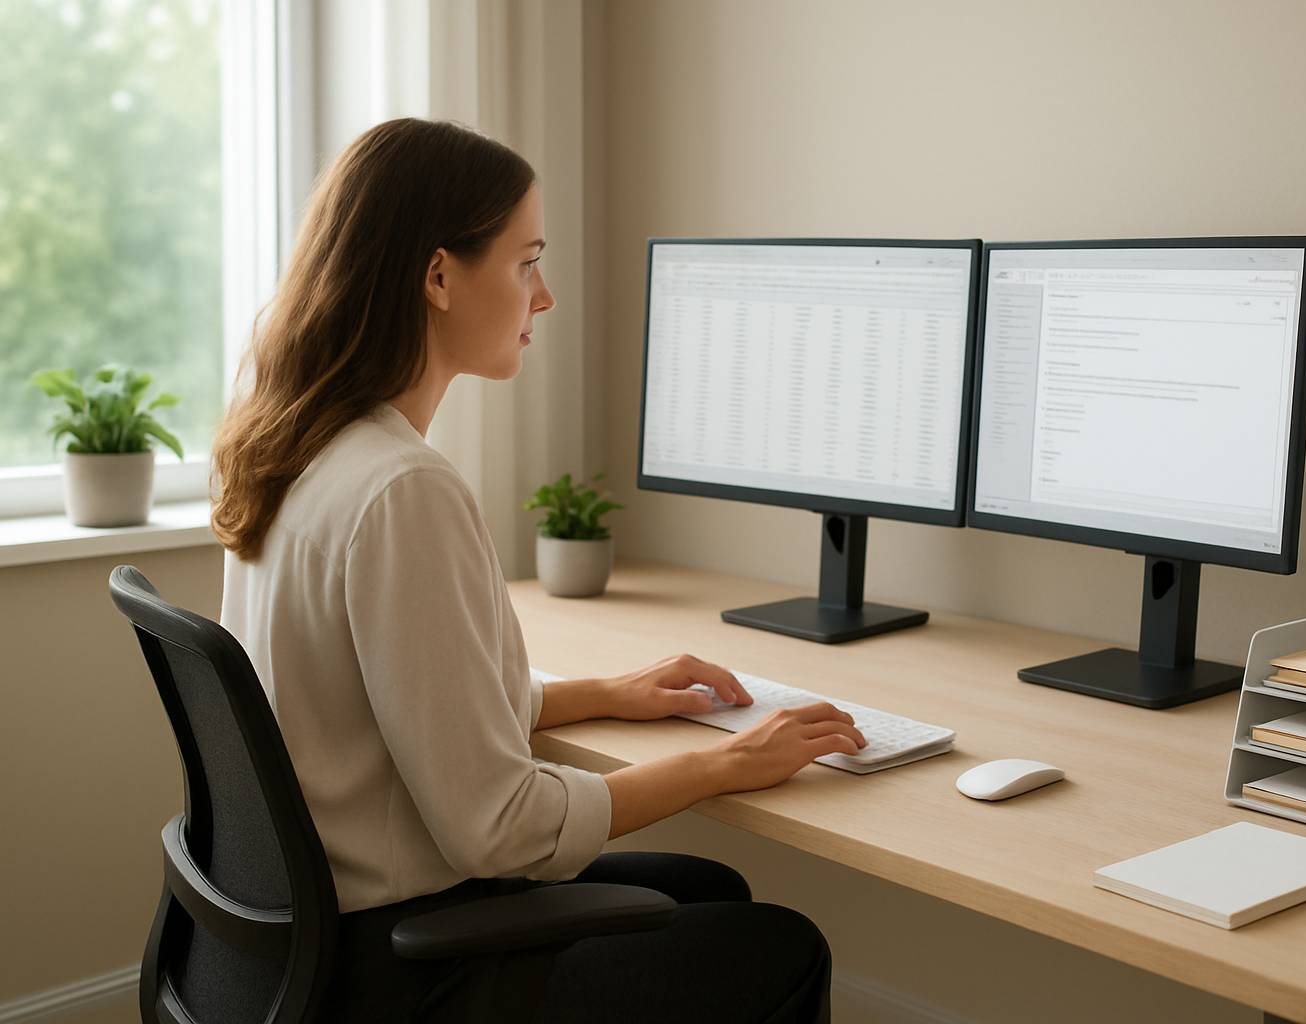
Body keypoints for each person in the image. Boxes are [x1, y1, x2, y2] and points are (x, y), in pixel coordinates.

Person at [209, 117, 866, 1023]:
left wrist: (601, 692)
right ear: (439, 275)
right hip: (399, 962)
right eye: (527, 262)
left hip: (311, 934)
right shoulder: (403, 488)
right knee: (783, 946)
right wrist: (727, 763)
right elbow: (499, 823)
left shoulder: (307, 447)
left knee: (709, 886)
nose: (544, 296)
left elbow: (395, 711)